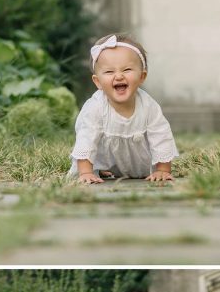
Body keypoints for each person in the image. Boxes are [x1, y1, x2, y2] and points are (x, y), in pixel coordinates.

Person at [70, 33, 179, 184]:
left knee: (159, 138)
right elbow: (86, 138)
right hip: (105, 159)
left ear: (142, 76)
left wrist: (163, 169)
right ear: (98, 82)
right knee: (92, 146)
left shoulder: (148, 106)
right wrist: (86, 172)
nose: (119, 76)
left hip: (139, 164)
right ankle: (101, 168)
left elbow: (161, 136)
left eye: (127, 69)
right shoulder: (96, 107)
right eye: (109, 72)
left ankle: (132, 170)